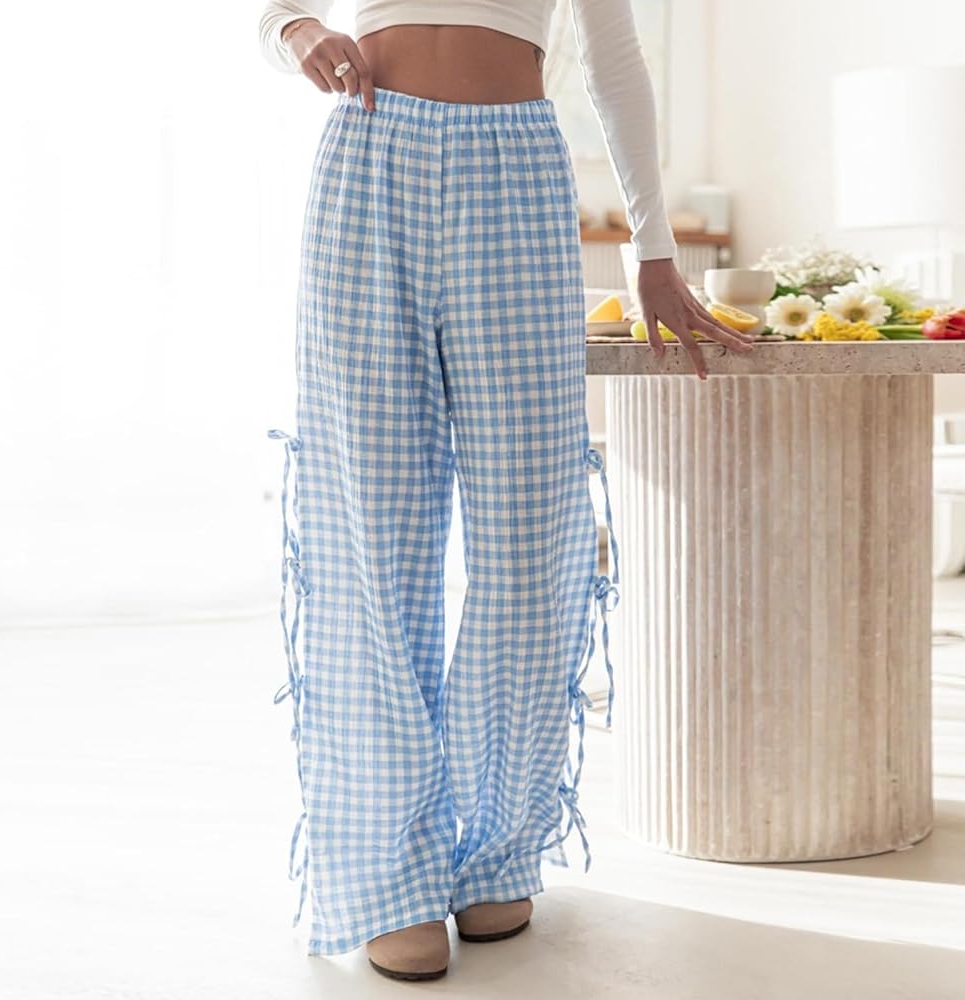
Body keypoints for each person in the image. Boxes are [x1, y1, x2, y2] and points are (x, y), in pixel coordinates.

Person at [258, 0, 754, 983]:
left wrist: (654, 249)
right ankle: (391, 873)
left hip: (515, 167)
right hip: (369, 159)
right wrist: (295, 34)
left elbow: (615, 61)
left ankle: (497, 845)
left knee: (531, 534)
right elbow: (277, 10)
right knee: (370, 534)